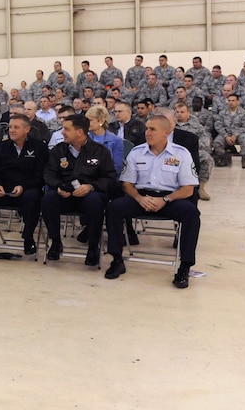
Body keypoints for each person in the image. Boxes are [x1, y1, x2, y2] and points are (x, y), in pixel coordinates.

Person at [104, 115, 200, 289]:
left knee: (191, 213)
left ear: (166, 132)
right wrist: (139, 198)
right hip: (142, 197)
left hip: (170, 198)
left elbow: (188, 189)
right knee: (114, 208)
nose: (147, 132)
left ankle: (184, 266)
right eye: (146, 128)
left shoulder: (181, 153)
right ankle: (117, 259)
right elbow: (127, 184)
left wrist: (165, 200)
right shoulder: (136, 152)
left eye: (152, 129)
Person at [0, 114, 48, 264]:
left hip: (28, 188)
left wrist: (23, 186)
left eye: (16, 127)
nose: (11, 130)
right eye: (10, 127)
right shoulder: (2, 147)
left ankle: (28, 237)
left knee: (32, 197)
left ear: (27, 129)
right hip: (4, 189)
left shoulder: (40, 148)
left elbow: (41, 177)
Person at [41, 114, 118, 266]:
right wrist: (58, 186)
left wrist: (91, 187)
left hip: (90, 194)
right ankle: (55, 242)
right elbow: (49, 173)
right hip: (65, 194)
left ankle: (93, 247)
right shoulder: (59, 150)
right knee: (48, 199)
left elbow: (109, 178)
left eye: (66, 129)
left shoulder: (100, 151)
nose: (62, 132)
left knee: (95, 201)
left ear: (79, 132)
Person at [84, 106, 124, 175]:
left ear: (101, 121)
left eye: (90, 120)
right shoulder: (84, 139)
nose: (86, 123)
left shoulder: (116, 141)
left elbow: (117, 167)